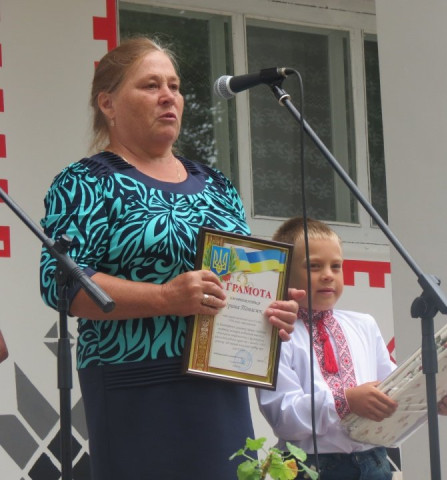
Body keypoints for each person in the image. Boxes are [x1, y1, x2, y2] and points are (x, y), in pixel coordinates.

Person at [39, 36, 303, 480]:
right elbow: (60, 283)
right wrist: (165, 298)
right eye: (150, 85)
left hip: (220, 386)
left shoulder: (217, 185)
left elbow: (242, 278)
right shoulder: (85, 182)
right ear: (108, 103)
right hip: (134, 385)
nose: (169, 97)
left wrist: (270, 311)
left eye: (175, 86)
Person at [257, 217, 447, 480]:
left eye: (336, 266)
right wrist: (345, 401)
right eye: (314, 266)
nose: (328, 275)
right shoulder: (277, 333)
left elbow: (395, 392)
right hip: (310, 467)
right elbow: (283, 416)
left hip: (374, 462)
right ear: (283, 272)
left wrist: (432, 400)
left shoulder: (364, 325)